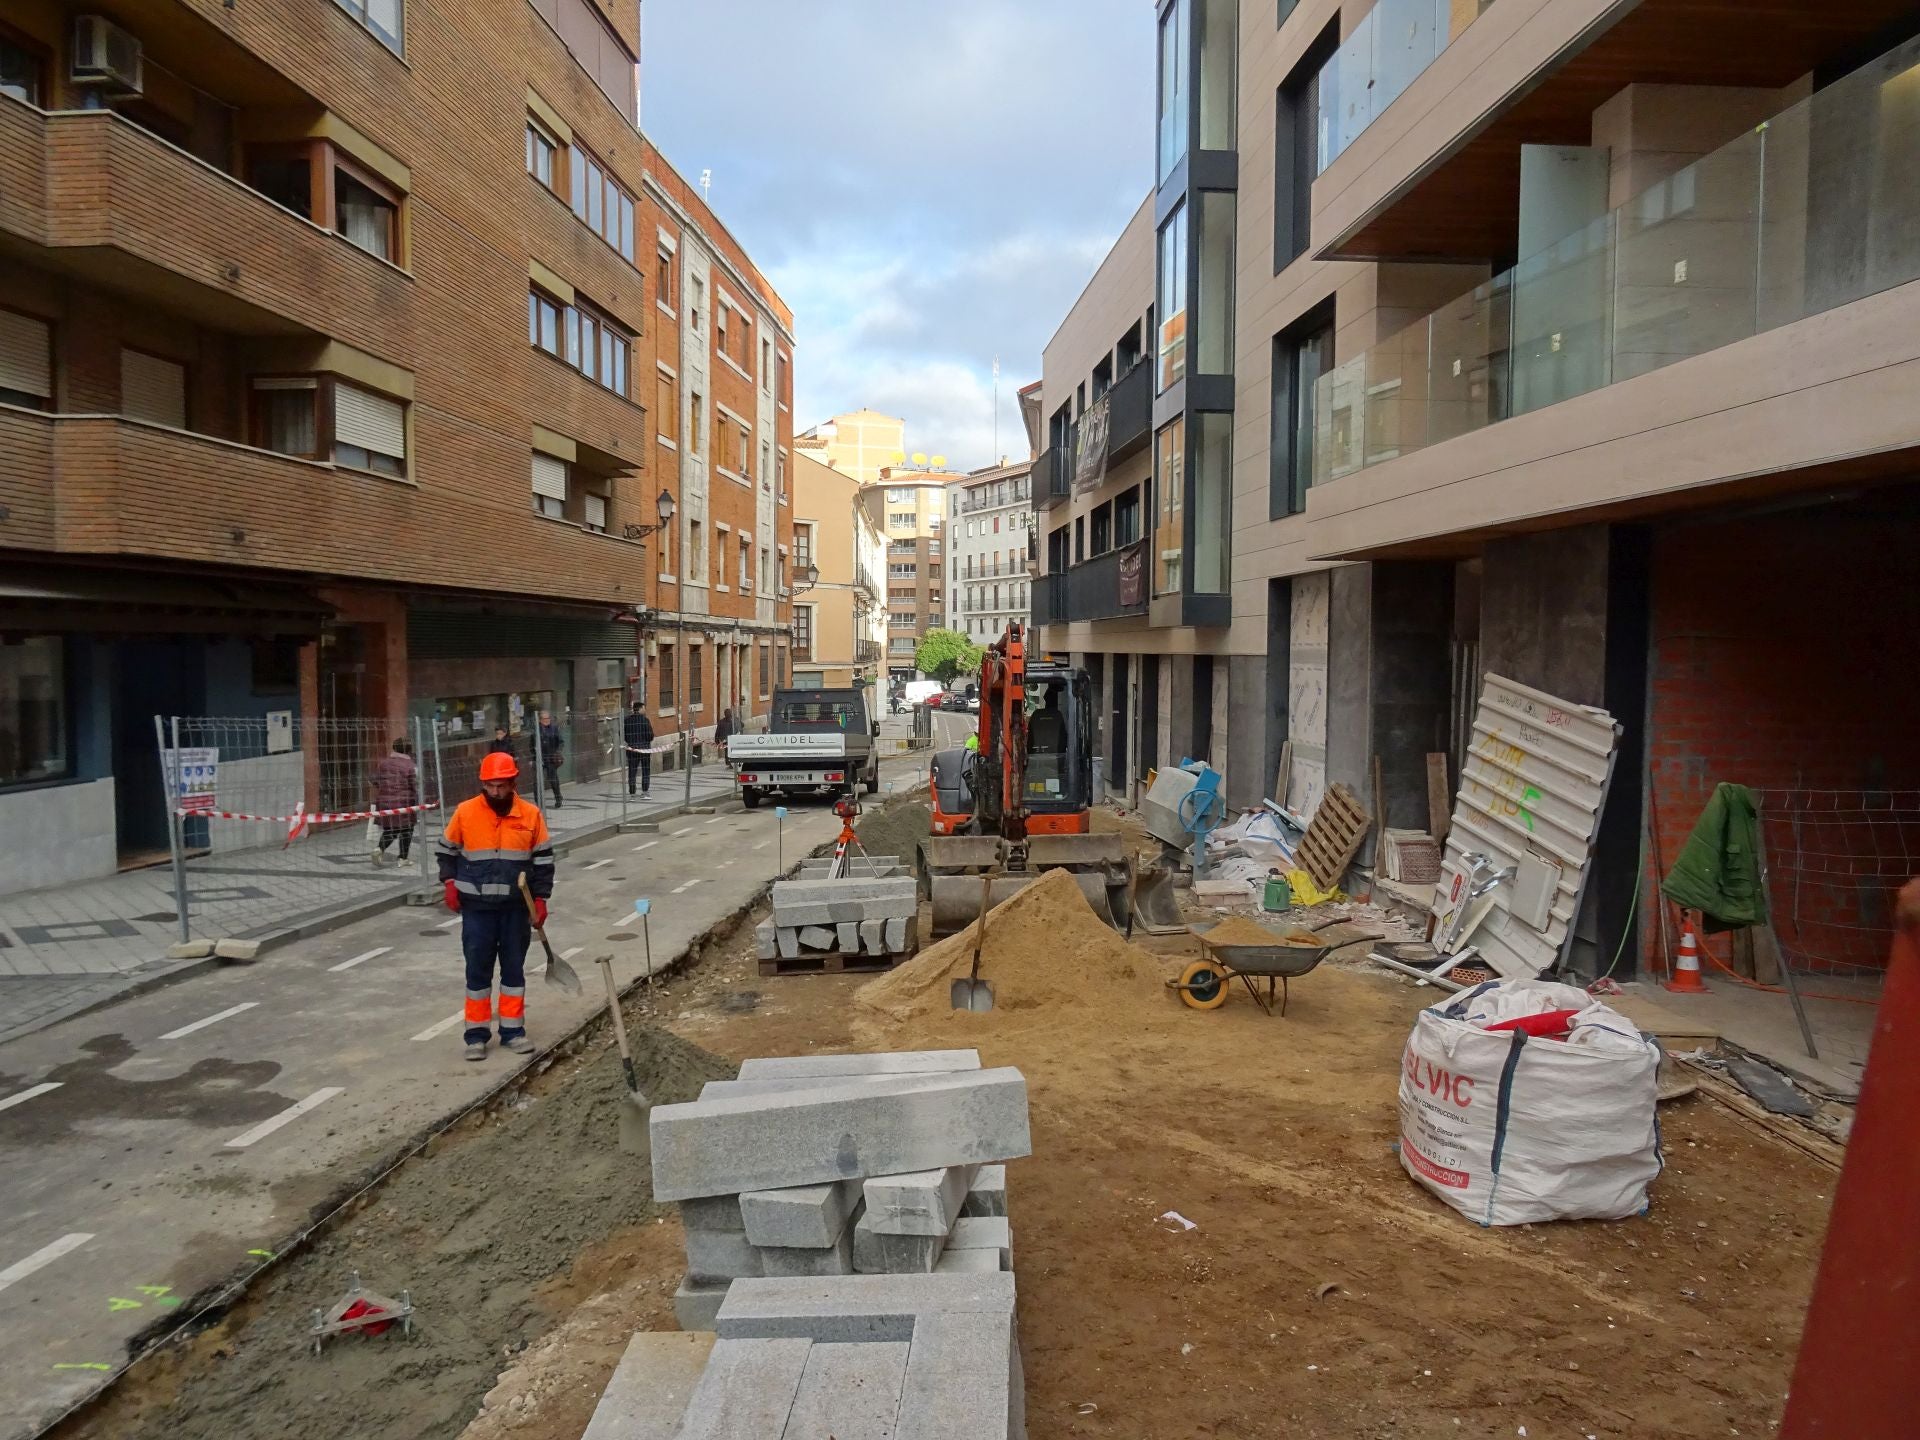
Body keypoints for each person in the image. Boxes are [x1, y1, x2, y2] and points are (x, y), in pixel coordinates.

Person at [437, 751, 554, 1061]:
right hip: (477, 909)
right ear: (483, 785)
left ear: (513, 783)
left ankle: (513, 1032)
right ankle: (476, 1036)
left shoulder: (530, 816)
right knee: (477, 971)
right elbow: (446, 852)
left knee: (513, 970)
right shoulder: (465, 813)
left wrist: (540, 899)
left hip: (516, 909)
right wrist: (449, 883)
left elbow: (543, 861)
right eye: (490, 786)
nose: (496, 792)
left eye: (502, 786)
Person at [369, 738, 419, 867]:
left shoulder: (383, 763)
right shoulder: (410, 765)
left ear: (394, 748)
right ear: (409, 750)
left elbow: (374, 780)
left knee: (391, 829)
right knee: (407, 829)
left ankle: (379, 849)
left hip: (384, 802)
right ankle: (403, 858)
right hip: (404, 802)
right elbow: (415, 785)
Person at [624, 702, 655, 795]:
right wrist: (646, 740)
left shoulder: (627, 720)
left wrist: (630, 741)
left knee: (632, 770)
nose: (645, 710)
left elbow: (622, 734)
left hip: (632, 749)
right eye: (644, 708)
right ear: (640, 709)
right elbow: (650, 735)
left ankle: (632, 790)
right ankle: (645, 789)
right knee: (645, 769)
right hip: (644, 749)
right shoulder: (645, 720)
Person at [537, 709, 564, 808]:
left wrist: (558, 752)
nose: (547, 720)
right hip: (540, 757)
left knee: (553, 779)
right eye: (544, 719)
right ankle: (538, 802)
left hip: (552, 757)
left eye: (548, 718)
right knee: (537, 781)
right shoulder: (537, 729)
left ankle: (558, 798)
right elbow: (532, 744)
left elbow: (561, 741)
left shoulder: (554, 728)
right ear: (540, 720)